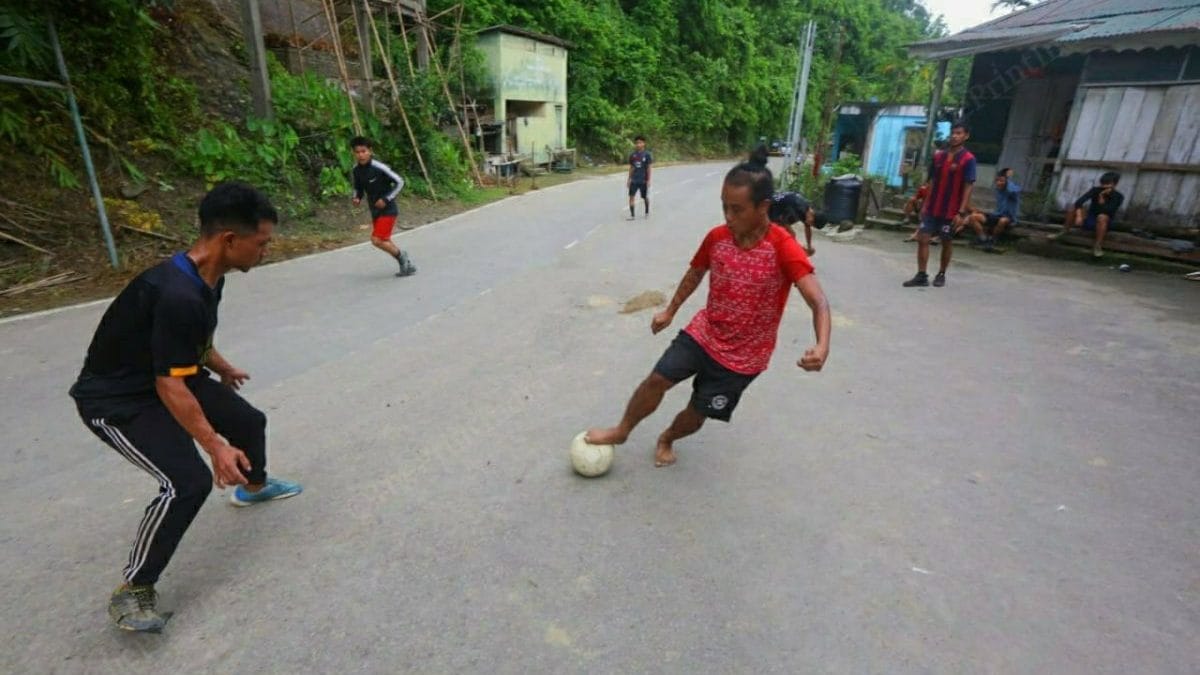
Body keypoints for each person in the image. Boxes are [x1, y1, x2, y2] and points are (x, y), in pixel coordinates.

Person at [69, 182, 304, 633]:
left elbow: (192, 343)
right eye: (262, 243)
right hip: (118, 398)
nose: (266, 251)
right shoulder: (177, 291)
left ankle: (251, 487)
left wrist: (222, 366)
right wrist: (214, 445)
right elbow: (169, 383)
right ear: (229, 240)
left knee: (249, 421)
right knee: (187, 481)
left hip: (169, 374)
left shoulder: (207, 277)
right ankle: (134, 589)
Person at [586, 150, 831, 467]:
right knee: (656, 380)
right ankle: (621, 431)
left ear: (763, 208)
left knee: (697, 413)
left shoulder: (783, 246)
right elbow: (696, 272)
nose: (728, 216)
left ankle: (668, 437)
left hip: (744, 357)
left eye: (737, 209)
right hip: (704, 333)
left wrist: (822, 345)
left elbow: (818, 300)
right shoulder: (717, 238)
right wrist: (671, 311)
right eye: (724, 207)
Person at [903, 121, 976, 288]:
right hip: (933, 206)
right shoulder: (938, 156)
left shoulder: (968, 159)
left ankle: (941, 273)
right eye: (953, 132)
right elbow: (931, 182)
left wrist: (961, 211)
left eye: (959, 133)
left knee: (946, 241)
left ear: (966, 136)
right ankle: (921, 274)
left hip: (951, 210)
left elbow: (968, 186)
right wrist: (925, 204)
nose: (955, 136)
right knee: (923, 238)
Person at [351, 136, 416, 276]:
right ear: (354, 153)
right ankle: (406, 265)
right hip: (374, 210)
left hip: (388, 209)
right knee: (384, 240)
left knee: (376, 240)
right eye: (357, 152)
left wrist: (386, 199)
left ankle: (402, 256)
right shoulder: (356, 169)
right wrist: (356, 197)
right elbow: (358, 187)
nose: (361, 155)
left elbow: (400, 182)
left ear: (370, 151)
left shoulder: (379, 168)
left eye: (364, 151)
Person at [1050, 171, 1123, 257]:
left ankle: (1097, 246)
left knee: (1102, 216)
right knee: (1072, 208)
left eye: (1107, 184)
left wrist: (1101, 198)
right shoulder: (1095, 190)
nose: (1104, 187)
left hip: (1104, 223)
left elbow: (1109, 211)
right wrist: (1079, 215)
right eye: (1103, 184)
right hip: (1090, 219)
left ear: (1114, 184)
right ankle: (1063, 231)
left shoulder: (1118, 196)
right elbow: (1079, 202)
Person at [965, 167, 1020, 252]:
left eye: (1002, 181)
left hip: (1008, 217)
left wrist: (1007, 178)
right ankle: (983, 238)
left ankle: (992, 240)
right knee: (973, 217)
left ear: (1006, 182)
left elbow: (1011, 190)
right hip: (996, 215)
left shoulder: (1013, 191)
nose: (999, 183)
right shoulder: (998, 191)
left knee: (1002, 220)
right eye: (998, 181)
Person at [770, 190, 817, 255]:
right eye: (811, 222)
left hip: (778, 203)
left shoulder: (807, 209)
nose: (810, 224)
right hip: (772, 205)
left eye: (812, 224)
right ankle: (794, 253)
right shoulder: (800, 208)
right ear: (812, 214)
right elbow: (782, 219)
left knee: (788, 232)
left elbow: (807, 228)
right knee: (790, 234)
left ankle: (791, 251)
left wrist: (809, 245)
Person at [627, 135, 653, 220]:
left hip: (643, 180)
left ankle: (647, 212)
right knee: (631, 196)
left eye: (640, 143)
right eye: (637, 143)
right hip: (634, 180)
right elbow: (631, 167)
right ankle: (632, 215)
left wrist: (648, 180)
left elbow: (649, 168)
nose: (638, 144)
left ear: (644, 143)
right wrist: (629, 179)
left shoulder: (647, 155)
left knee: (645, 197)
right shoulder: (633, 155)